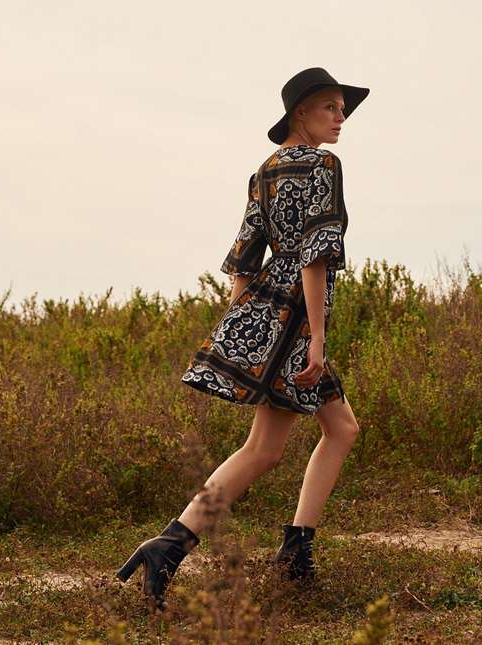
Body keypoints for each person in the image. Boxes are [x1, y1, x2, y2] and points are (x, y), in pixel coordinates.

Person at [116, 67, 370, 611]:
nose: (340, 117)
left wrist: (247, 324)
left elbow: (244, 257)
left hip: (270, 311)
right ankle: (177, 546)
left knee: (328, 432)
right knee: (267, 448)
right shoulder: (324, 165)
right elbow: (314, 255)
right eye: (329, 107)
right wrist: (315, 337)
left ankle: (290, 551)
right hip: (299, 317)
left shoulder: (264, 172)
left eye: (342, 108)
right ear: (300, 113)